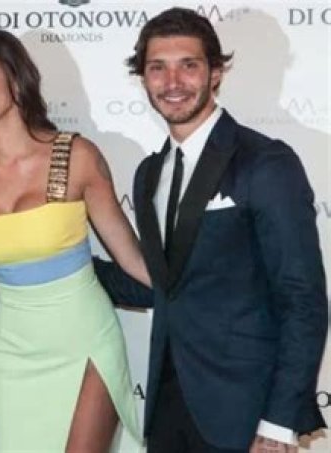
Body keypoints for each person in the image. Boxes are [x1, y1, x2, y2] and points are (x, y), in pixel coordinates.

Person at [100, 7, 328, 453]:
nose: (173, 82)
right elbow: (163, 285)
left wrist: (279, 422)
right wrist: (54, 264)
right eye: (157, 68)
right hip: (167, 409)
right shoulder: (149, 173)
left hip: (246, 412)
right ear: (143, 78)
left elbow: (302, 298)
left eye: (189, 65)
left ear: (216, 73)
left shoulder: (264, 162)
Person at [0, 29, 150, 452]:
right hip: (14, 352)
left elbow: (130, 256)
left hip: (85, 339)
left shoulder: (76, 156)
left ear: (16, 80)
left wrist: (200, 294)